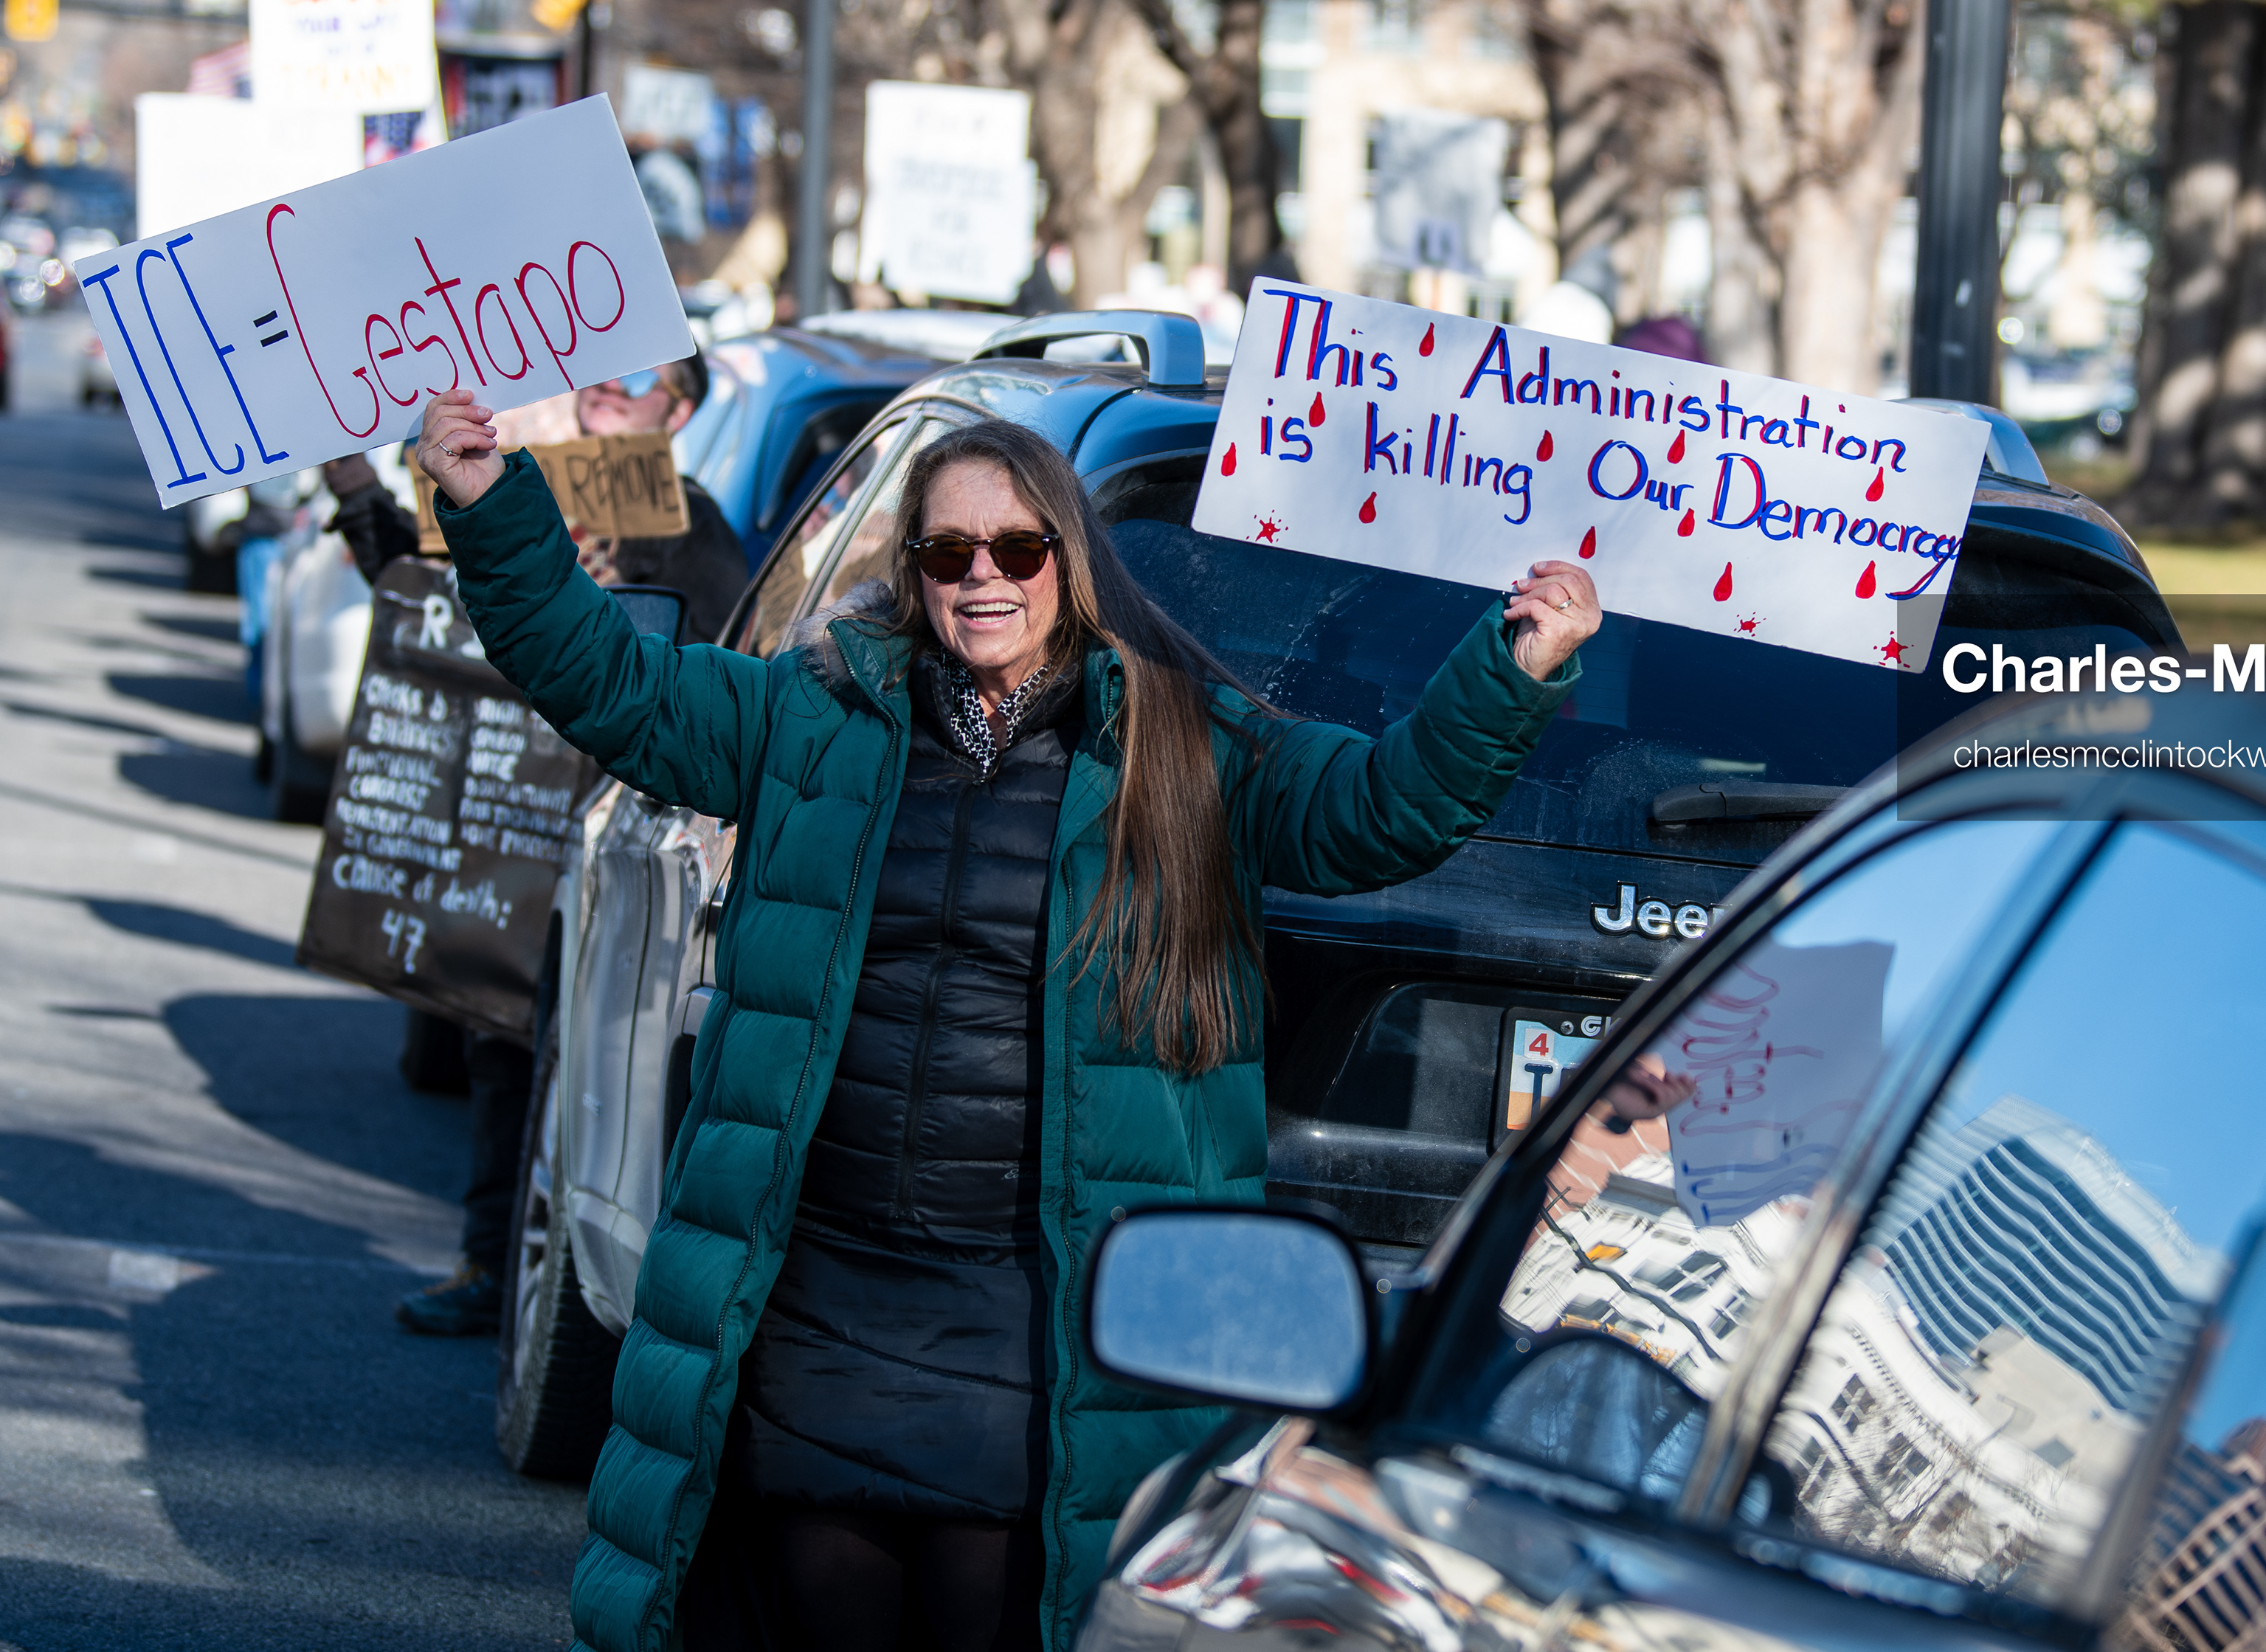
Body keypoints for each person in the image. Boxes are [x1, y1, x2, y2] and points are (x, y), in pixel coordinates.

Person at [412, 381, 1599, 1652]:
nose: (984, 577)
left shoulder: (1183, 748)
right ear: (913, 569)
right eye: (947, 551)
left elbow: (1378, 809)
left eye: (1018, 549)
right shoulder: (811, 715)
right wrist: (493, 508)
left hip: (1033, 1328)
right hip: (820, 1306)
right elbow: (612, 686)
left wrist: (1511, 671)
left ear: (1067, 566)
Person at [326, 356, 753, 1338]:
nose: (614, 389)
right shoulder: (512, 475)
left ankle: (536, 1255)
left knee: (559, 1044)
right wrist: (356, 487)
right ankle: (490, 1253)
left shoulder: (684, 522)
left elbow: (725, 655)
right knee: (494, 1030)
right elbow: (414, 585)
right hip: (501, 799)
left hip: (604, 808)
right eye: (608, 372)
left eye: (641, 383)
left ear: (676, 414)